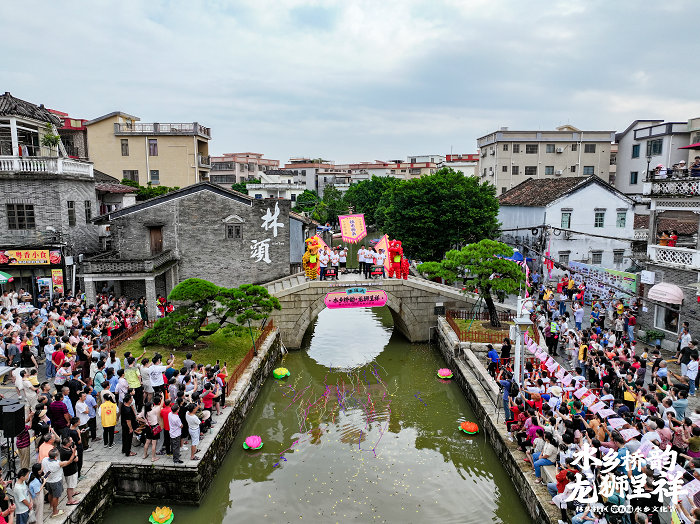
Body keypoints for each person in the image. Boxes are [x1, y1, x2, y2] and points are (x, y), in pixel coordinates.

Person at [42, 447, 72, 518]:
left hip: (48, 481)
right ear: (55, 457)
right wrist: (74, 453)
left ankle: (51, 506)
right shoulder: (57, 464)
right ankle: (55, 511)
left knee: (50, 493)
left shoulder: (44, 460)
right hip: (56, 482)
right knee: (56, 496)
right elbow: (69, 461)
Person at [58, 437, 80, 505]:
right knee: (70, 486)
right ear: (67, 444)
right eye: (71, 441)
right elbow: (76, 459)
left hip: (69, 470)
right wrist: (75, 452)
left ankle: (72, 493)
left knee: (71, 484)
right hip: (71, 471)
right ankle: (70, 500)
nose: (72, 442)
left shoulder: (63, 448)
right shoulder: (67, 453)